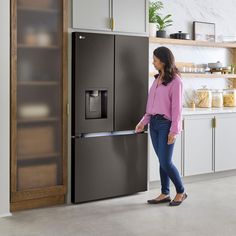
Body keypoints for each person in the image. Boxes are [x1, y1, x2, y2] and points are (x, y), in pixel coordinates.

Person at [135, 46, 187, 206]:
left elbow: (177, 109)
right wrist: (143, 122)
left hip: (166, 125)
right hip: (154, 124)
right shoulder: (157, 79)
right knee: (161, 160)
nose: (153, 62)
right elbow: (151, 105)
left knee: (165, 162)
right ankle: (165, 193)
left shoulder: (176, 81)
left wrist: (174, 130)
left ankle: (181, 191)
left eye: (155, 60)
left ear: (164, 61)